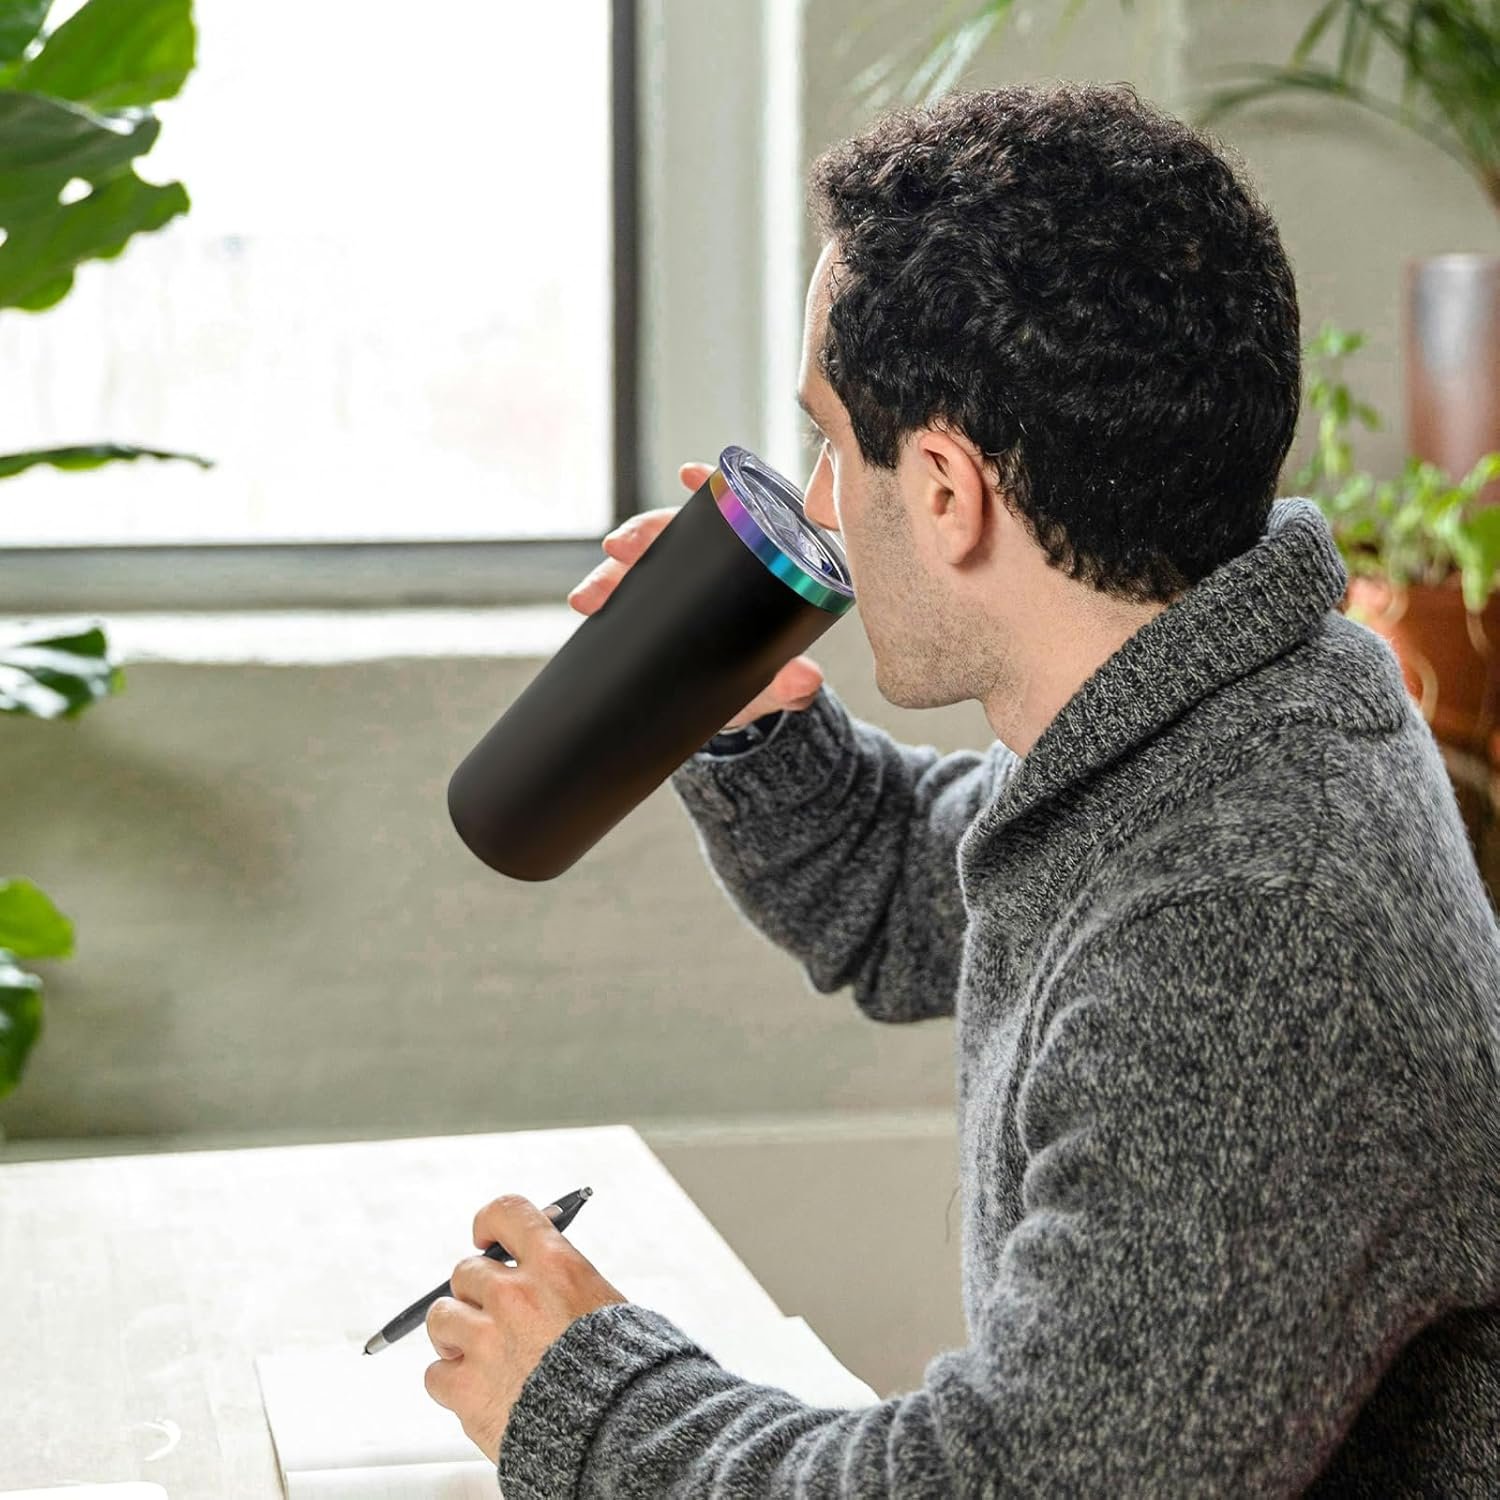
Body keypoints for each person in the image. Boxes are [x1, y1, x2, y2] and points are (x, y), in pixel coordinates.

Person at [421, 82, 1500, 1496]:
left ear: (945, 488)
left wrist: (594, 1399)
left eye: (831, 442)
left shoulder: (1249, 921)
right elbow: (916, 893)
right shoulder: (1241, 710)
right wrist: (750, 729)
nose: (820, 503)